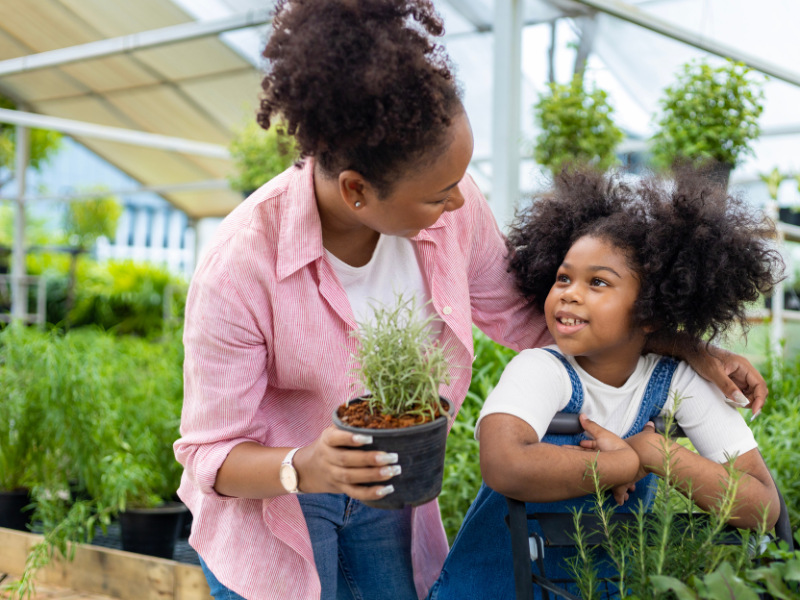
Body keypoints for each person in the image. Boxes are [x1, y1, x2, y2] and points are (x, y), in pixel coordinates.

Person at [173, 2, 768, 599]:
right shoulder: (242, 267)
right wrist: (306, 466)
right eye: (439, 194)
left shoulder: (450, 215)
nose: (459, 203)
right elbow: (210, 453)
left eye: (461, 180)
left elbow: (529, 315)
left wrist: (687, 348)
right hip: (276, 509)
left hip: (390, 494)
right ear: (357, 189)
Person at [426, 168, 783, 600]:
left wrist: (658, 452)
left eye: (597, 282)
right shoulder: (541, 368)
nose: (570, 293)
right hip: (492, 588)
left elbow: (763, 507)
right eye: (563, 277)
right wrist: (625, 464)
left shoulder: (678, 380)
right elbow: (505, 464)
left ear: (650, 311)